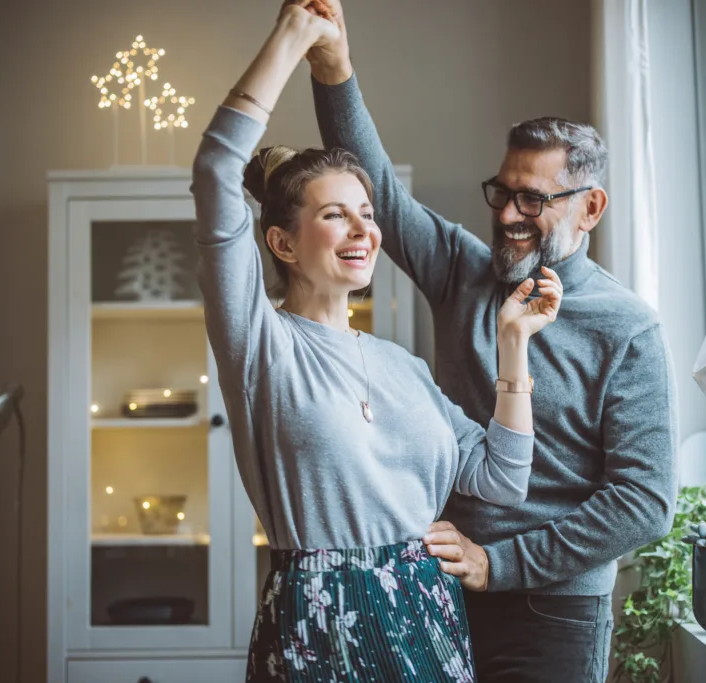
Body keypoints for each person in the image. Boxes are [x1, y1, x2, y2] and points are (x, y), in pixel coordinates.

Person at [302, 2, 679, 681]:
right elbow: (378, 190)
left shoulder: (629, 328)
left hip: (555, 612)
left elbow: (644, 502)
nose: (507, 214)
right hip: (439, 581)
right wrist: (333, 68)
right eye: (501, 192)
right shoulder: (463, 270)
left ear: (589, 207)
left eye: (532, 200)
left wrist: (499, 563)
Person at [190, 3, 563, 681]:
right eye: (334, 215)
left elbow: (502, 479)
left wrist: (514, 343)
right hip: (316, 620)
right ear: (282, 242)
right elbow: (218, 169)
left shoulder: (404, 367)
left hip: (427, 613)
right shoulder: (262, 346)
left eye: (367, 213)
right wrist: (295, 35)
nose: (363, 230)